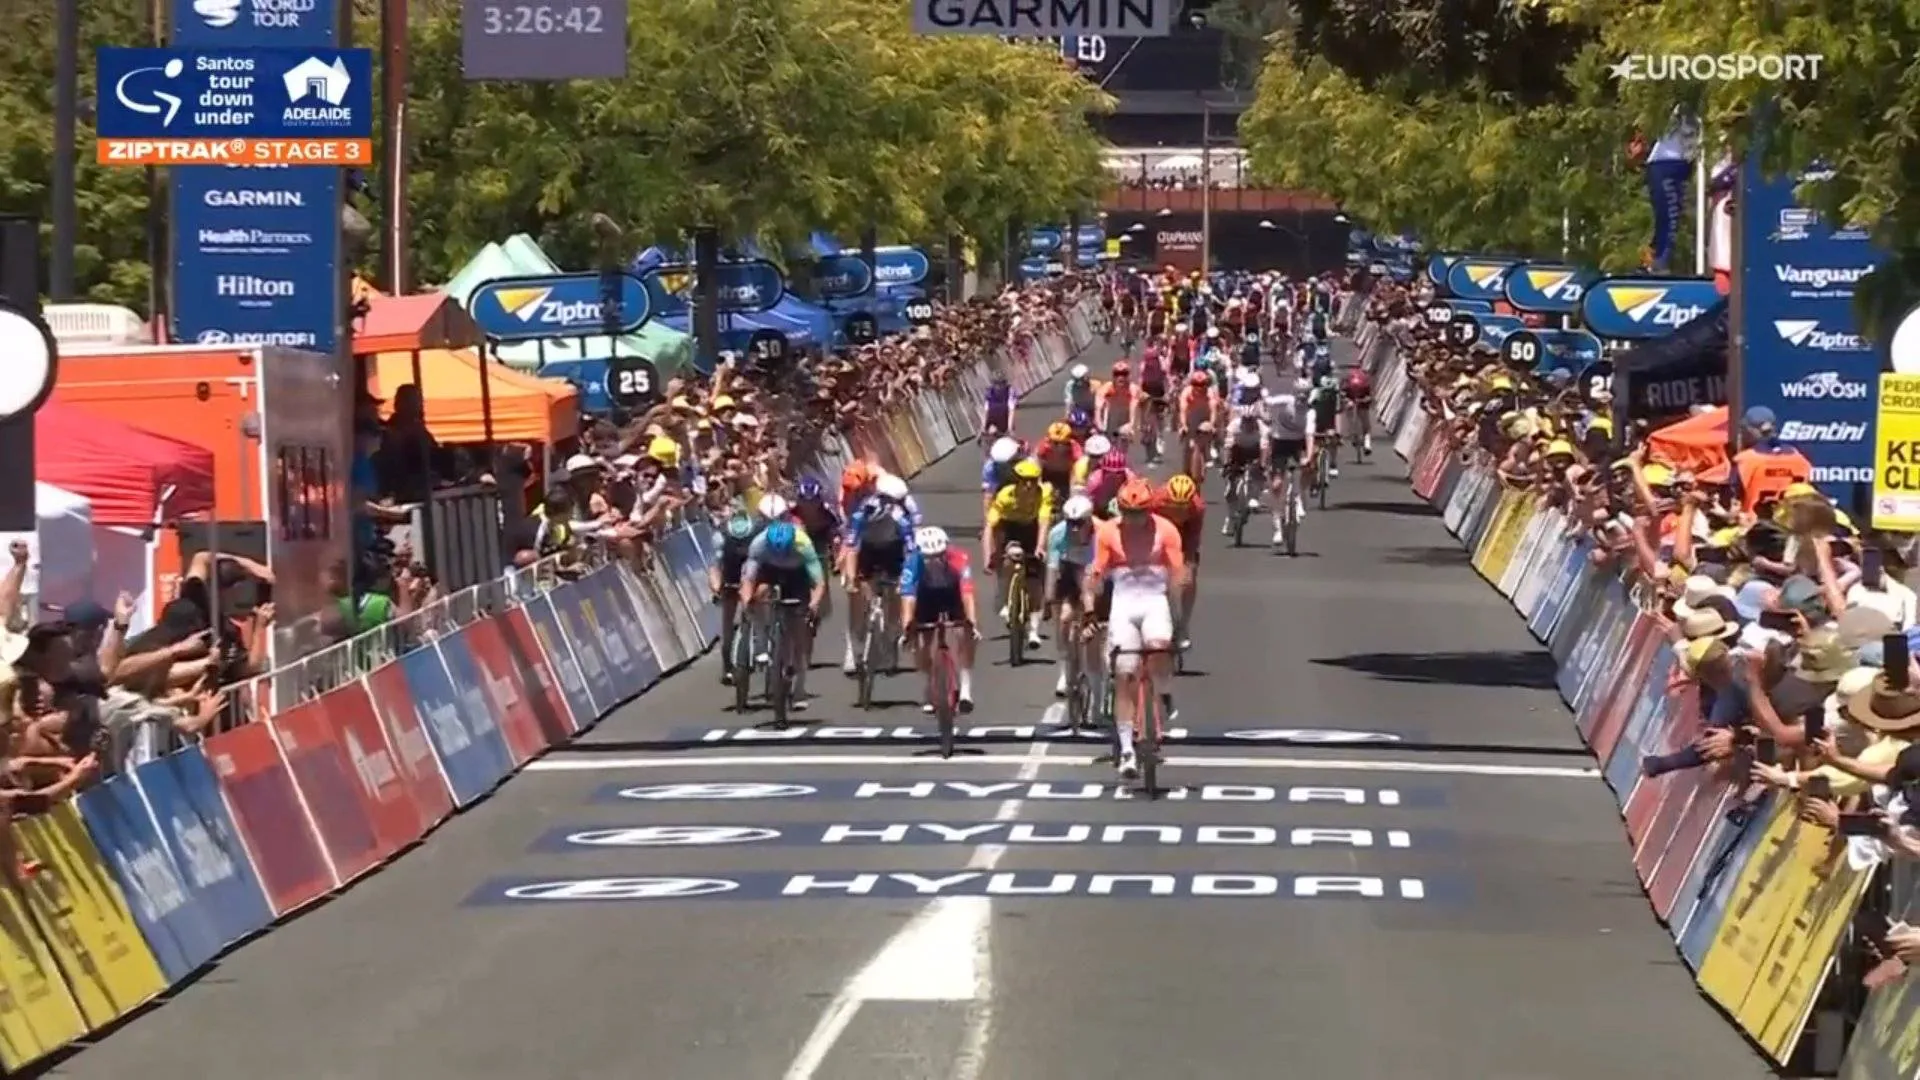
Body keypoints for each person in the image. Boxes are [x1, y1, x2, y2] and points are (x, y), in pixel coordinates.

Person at [1083, 478, 1187, 780]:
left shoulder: (1166, 531)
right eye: (1128, 512)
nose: (1133, 519)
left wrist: (1179, 620)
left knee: (1159, 646)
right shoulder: (1107, 533)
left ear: (1149, 510)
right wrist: (1090, 604)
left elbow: (1177, 576)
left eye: (1139, 512)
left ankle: (1164, 691)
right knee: (1125, 672)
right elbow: (1096, 573)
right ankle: (1127, 749)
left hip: (1154, 600)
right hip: (1124, 605)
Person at [740, 519, 827, 711]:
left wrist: (814, 604)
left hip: (798, 573)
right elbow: (748, 579)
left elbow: (818, 582)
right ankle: (761, 640)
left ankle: (800, 690)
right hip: (769, 570)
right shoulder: (759, 544)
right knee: (758, 595)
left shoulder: (803, 544)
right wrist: (747, 602)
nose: (781, 555)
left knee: (799, 633)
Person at [841, 473, 921, 674]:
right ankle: (853, 648)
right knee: (857, 597)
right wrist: (851, 579)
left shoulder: (900, 515)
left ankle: (891, 636)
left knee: (894, 596)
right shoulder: (861, 513)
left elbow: (911, 550)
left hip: (892, 550)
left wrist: (907, 581)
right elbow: (851, 547)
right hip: (867, 550)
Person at [900, 525, 980, 713]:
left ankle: (966, 688)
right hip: (926, 596)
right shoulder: (912, 563)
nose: (934, 560)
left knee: (964, 633)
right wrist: (906, 628)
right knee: (920, 642)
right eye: (928, 557)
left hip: (951, 593)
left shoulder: (959, 558)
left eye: (939, 555)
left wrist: (973, 623)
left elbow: (967, 593)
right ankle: (929, 685)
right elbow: (908, 597)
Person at [985, 457, 1055, 648]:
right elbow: (989, 528)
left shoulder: (1044, 494)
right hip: (1011, 529)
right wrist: (988, 556)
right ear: (1017, 482)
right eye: (1024, 481)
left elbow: (1044, 522)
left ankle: (1033, 631)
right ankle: (1007, 600)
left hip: (1031, 530)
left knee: (1035, 583)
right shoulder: (1005, 496)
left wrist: (1040, 547)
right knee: (1008, 559)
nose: (1029, 486)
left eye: (1033, 481)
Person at [1045, 493, 1099, 697]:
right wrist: (1049, 601)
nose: (1074, 528)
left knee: (1097, 621)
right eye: (1070, 523)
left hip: (1093, 574)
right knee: (1064, 618)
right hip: (1069, 571)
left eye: (1079, 523)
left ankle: (1098, 668)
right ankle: (1065, 668)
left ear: (1089, 521)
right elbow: (1052, 569)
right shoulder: (1057, 534)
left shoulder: (1101, 533)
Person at [1264, 366, 1316, 545]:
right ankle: (1277, 526)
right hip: (1280, 442)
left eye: (1306, 394)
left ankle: (1301, 495)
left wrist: (1308, 457)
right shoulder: (1285, 401)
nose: (1303, 397)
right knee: (1277, 485)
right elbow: (1268, 401)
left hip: (1297, 443)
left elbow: (1309, 436)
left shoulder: (1310, 412)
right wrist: (1262, 396)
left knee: (1310, 464)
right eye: (1300, 393)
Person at [707, 510, 759, 686]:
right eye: (737, 543)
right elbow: (715, 567)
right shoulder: (721, 537)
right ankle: (727, 664)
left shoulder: (757, 536)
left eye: (743, 543)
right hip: (730, 571)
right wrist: (716, 588)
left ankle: (760, 642)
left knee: (756, 603)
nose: (740, 546)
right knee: (727, 622)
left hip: (752, 570)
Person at [1156, 474, 1207, 649]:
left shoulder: (1197, 508)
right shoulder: (1156, 502)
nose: (1179, 512)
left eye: (1183, 508)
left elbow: (1192, 542)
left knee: (1189, 576)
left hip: (1184, 535)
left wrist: (1188, 564)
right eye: (1174, 507)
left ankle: (1183, 624)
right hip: (1160, 531)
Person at [1175, 370, 1217, 482]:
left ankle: (1208, 451)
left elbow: (1213, 410)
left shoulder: (1210, 393)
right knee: (1187, 449)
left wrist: (1212, 424)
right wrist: (1183, 425)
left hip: (1204, 420)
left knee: (1203, 439)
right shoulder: (1186, 393)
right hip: (1190, 421)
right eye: (1196, 384)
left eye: (1202, 385)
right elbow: (1183, 411)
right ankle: (1186, 471)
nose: (1199, 388)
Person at [981, 436, 1027, 522]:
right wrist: (988, 522)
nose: (1004, 468)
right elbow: (988, 496)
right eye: (1000, 465)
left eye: (1007, 464)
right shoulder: (990, 467)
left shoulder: (1027, 462)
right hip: (1001, 485)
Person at [1308, 367, 1343, 480]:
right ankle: (1313, 474)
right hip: (1316, 420)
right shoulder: (1314, 394)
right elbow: (1308, 413)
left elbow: (1337, 414)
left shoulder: (1336, 397)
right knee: (1314, 447)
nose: (1328, 394)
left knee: (1333, 439)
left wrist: (1338, 433)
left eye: (1331, 392)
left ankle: (1333, 463)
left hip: (1329, 420)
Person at [1035, 421, 1082, 505]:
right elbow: (1037, 462)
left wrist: (1074, 486)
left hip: (1065, 476)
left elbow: (1078, 466)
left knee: (1065, 499)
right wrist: (1038, 481)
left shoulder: (1073, 447)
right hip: (1047, 473)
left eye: (1061, 443)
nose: (1057, 446)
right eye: (1055, 442)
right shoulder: (1045, 445)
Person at [1085, 448, 1135, 521]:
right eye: (1109, 473)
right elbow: (1089, 510)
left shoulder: (1131, 480)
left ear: (1123, 472)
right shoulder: (1094, 482)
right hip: (1100, 513)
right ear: (1103, 471)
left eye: (1118, 473)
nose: (1114, 476)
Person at [1096, 362, 1137, 441]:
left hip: (1125, 417)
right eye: (1117, 374)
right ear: (1113, 376)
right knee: (1108, 442)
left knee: (1124, 440)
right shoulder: (1106, 388)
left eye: (1124, 374)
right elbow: (1098, 407)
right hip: (1111, 417)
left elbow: (1133, 407)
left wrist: (1131, 424)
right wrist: (1099, 423)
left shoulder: (1132, 389)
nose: (1120, 377)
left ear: (1128, 375)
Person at [1342, 363, 1375, 457]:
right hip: (1357, 404)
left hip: (1362, 404)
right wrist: (1348, 400)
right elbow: (1343, 394)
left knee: (1365, 426)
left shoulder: (1362, 384)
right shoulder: (1351, 384)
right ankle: (1356, 437)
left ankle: (1360, 439)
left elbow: (1370, 397)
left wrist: (1364, 400)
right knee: (1364, 426)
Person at [982, 373, 1017, 440]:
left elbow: (1011, 411)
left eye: (1001, 384)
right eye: (996, 384)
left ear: (1005, 383)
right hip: (992, 420)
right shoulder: (989, 392)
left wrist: (1010, 428)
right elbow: (986, 411)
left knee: (1010, 439)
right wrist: (983, 426)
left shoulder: (1010, 391)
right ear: (993, 384)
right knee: (990, 435)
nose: (999, 386)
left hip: (1004, 419)